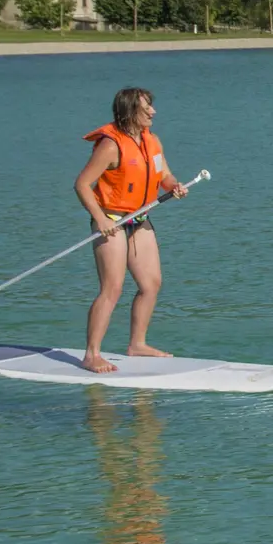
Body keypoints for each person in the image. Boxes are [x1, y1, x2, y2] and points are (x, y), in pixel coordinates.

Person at [75, 87, 189, 373]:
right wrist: (100, 218)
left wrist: (174, 186)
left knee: (151, 284)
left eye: (151, 105)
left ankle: (137, 344)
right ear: (129, 112)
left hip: (139, 220)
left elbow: (164, 174)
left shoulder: (153, 142)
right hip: (111, 221)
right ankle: (91, 354)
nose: (153, 111)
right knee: (112, 288)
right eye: (146, 108)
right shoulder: (111, 145)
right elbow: (82, 185)